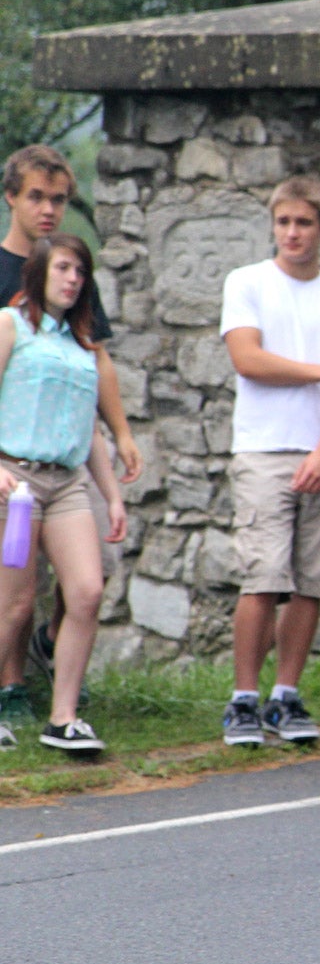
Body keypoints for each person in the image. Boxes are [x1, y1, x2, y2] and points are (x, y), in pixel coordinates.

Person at [218, 176, 320, 747]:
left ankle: (286, 695)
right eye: (284, 223)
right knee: (262, 577)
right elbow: (248, 359)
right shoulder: (247, 283)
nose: (293, 234)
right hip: (262, 447)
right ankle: (242, 699)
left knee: (312, 581)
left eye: (304, 223)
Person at [0, 145, 142, 727]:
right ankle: (11, 687)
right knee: (15, 591)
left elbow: (93, 361)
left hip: (64, 464)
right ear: (11, 196)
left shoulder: (71, 272)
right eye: (36, 196)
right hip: (11, 457)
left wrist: (121, 432)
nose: (48, 210)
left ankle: (54, 679)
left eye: (58, 199)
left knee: (85, 582)